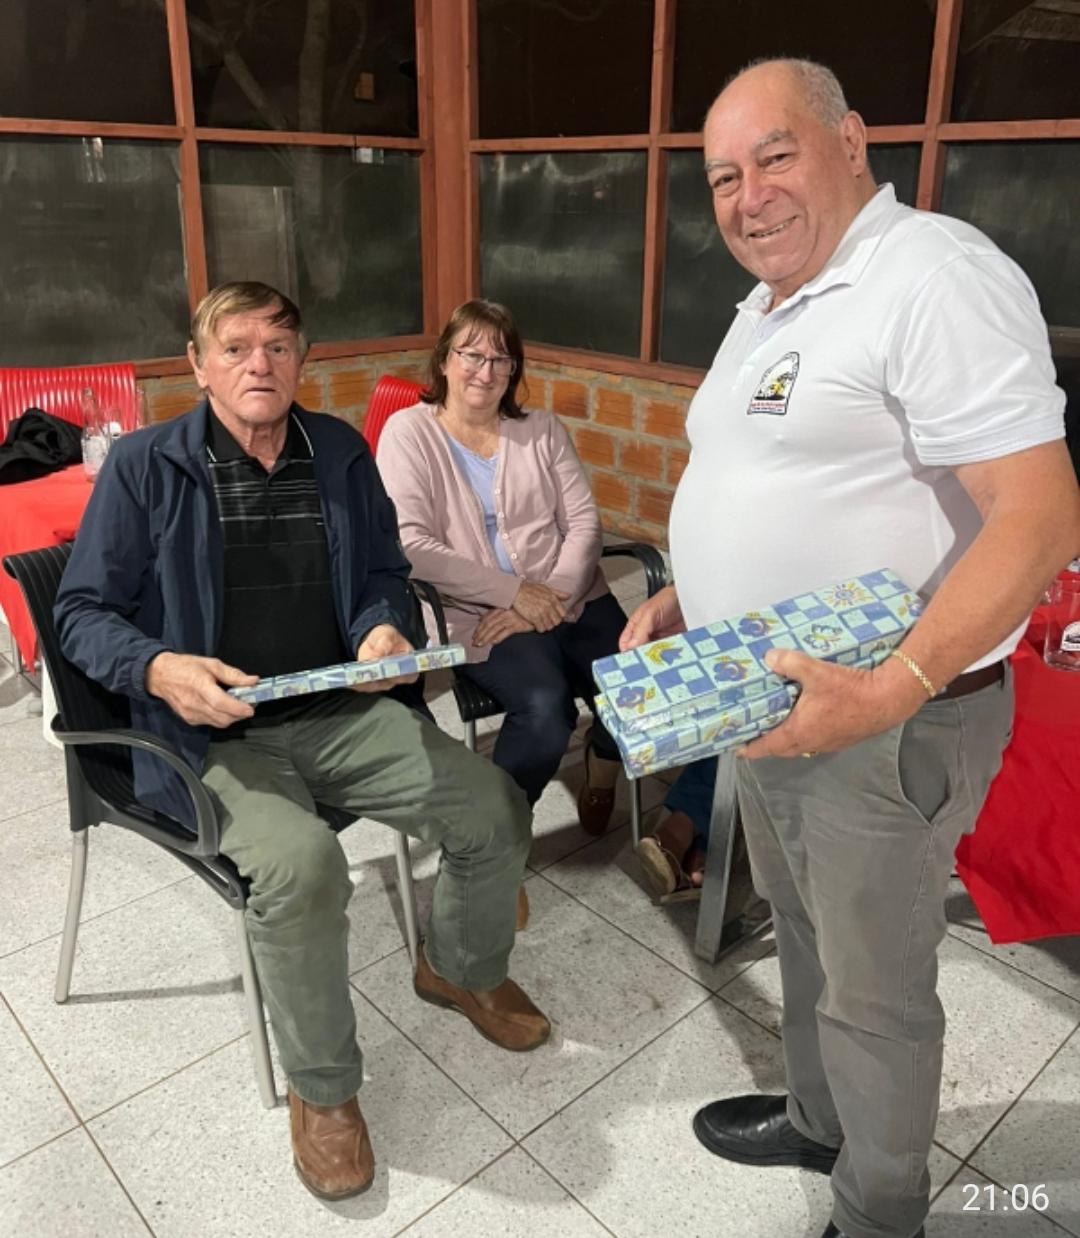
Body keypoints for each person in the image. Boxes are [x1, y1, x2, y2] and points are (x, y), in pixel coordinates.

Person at [620, 59, 1080, 1238]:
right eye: (724, 176)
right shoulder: (772, 302)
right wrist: (693, 595)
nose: (749, 196)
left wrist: (890, 688)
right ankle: (821, 1120)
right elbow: (763, 473)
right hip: (774, 695)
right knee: (808, 934)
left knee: (877, 989)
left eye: (774, 156)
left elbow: (1041, 514)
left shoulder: (932, 276)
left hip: (891, 714)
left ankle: (879, 1211)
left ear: (852, 142)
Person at [54, 281, 550, 1203]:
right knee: (303, 867)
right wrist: (159, 667)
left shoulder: (341, 452)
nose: (259, 365)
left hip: (336, 710)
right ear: (198, 366)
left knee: (492, 806)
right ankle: (324, 1092)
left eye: (278, 348)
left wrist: (379, 628)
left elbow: (382, 572)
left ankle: (458, 968)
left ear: (303, 361)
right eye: (235, 348)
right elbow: (80, 612)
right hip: (214, 735)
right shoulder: (146, 466)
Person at [376, 299, 629, 878]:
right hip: (479, 612)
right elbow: (411, 544)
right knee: (545, 712)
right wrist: (514, 594)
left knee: (638, 689)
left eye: (500, 360)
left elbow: (584, 523)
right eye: (471, 355)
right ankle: (494, 846)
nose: (484, 372)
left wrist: (552, 594)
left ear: (514, 370)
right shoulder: (409, 432)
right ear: (444, 360)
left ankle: (603, 760)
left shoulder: (541, 430)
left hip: (572, 596)